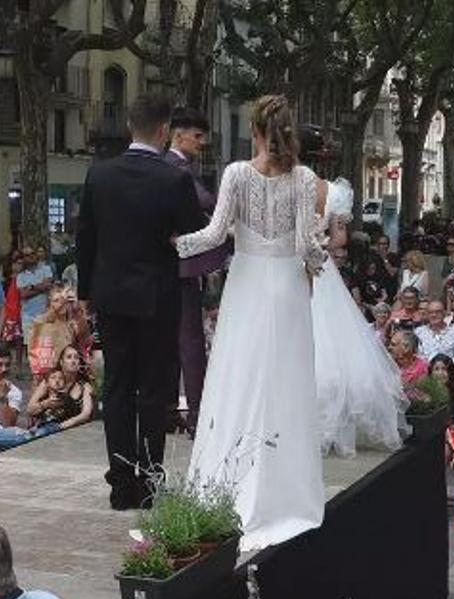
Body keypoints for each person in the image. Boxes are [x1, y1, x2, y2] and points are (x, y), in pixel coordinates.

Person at [173, 94, 327, 551]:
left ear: (254, 131)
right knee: (285, 381)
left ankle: (228, 480)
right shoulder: (303, 178)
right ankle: (285, 488)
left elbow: (215, 234)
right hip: (285, 285)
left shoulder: (236, 173)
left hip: (246, 282)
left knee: (238, 376)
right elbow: (304, 245)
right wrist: (322, 260)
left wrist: (175, 244)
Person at [77, 92, 202, 511]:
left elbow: (85, 238)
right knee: (152, 389)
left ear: (131, 127)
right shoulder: (174, 180)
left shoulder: (100, 175)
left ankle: (120, 483)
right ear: (165, 131)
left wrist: (86, 295)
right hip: (156, 296)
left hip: (110, 294)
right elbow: (190, 234)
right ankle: (149, 481)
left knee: (116, 387)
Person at [312, 180, 407, 457]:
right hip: (310, 269)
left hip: (317, 272)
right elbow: (340, 238)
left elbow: (340, 239)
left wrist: (317, 241)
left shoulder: (328, 193)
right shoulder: (326, 191)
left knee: (327, 342)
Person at [165, 107, 217, 436]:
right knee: (190, 343)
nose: (201, 143)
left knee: (174, 343)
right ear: (178, 134)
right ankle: (196, 413)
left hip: (175, 267)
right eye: (197, 137)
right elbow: (208, 202)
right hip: (181, 267)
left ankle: (172, 412)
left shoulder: (178, 166)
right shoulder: (178, 168)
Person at [26, 345, 95, 437]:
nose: (73, 361)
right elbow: (30, 409)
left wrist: (63, 426)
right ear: (61, 362)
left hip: (67, 432)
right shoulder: (50, 380)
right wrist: (46, 403)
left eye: (76, 358)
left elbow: (86, 414)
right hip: (42, 427)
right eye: (69, 357)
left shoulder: (85, 386)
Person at [26, 287, 88, 381]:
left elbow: (84, 337)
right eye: (56, 300)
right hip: (44, 373)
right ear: (49, 304)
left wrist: (77, 308)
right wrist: (61, 302)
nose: (61, 303)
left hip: (67, 374)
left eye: (64, 301)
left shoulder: (71, 324)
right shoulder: (41, 320)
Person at [16, 246, 54, 342]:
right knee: (31, 348)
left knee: (45, 347)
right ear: (24, 258)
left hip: (45, 314)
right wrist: (41, 287)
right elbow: (23, 294)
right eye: (27, 255)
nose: (31, 256)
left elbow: (48, 285)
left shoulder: (46, 269)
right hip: (28, 317)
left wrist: (31, 287)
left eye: (33, 253)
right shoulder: (20, 276)